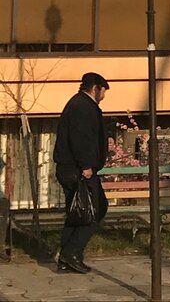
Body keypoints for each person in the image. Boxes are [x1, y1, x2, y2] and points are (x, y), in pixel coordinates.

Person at [53, 72, 110, 274]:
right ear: (95, 88)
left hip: (72, 168)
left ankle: (65, 257)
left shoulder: (79, 104)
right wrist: (86, 165)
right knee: (96, 209)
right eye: (103, 91)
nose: (104, 96)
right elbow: (80, 138)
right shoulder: (82, 107)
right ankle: (72, 252)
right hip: (78, 170)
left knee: (77, 212)